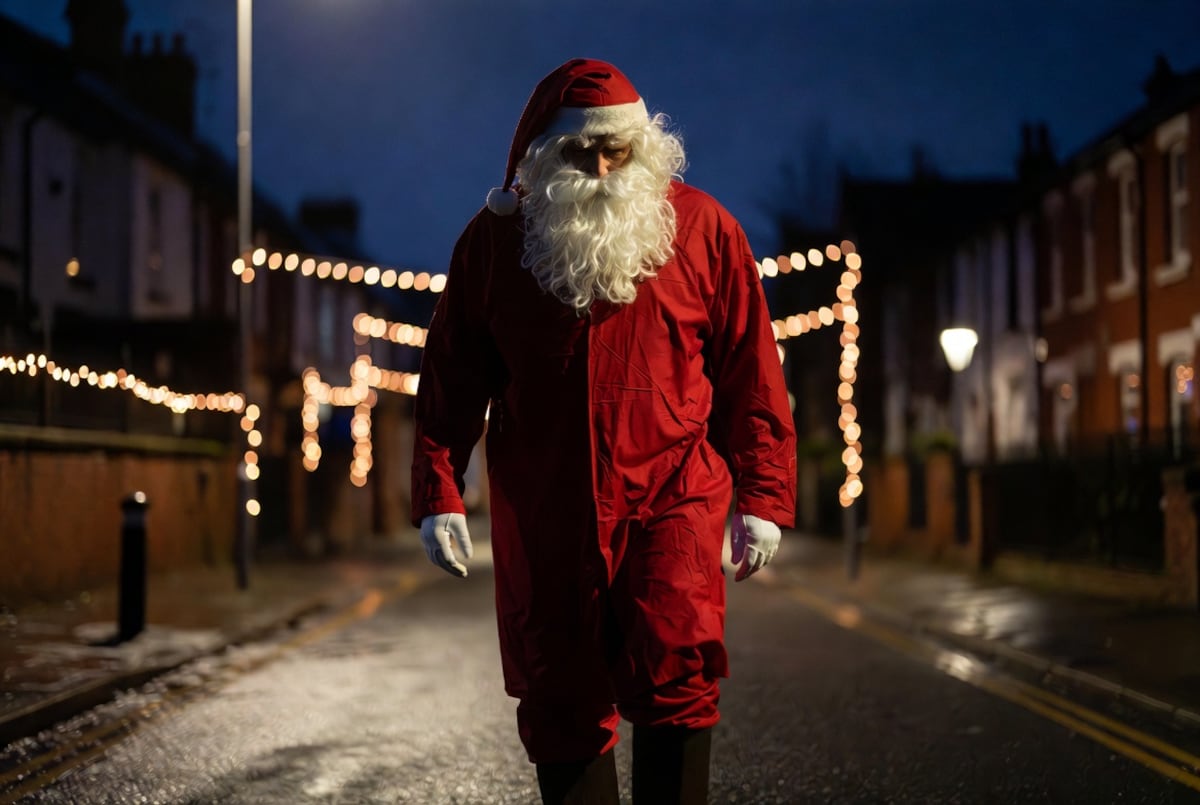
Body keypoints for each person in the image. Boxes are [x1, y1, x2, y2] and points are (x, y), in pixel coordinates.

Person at [411, 58, 796, 804]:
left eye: (614, 149)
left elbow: (753, 370)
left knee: (678, 669)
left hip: (673, 500)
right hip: (548, 508)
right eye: (579, 152)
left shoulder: (707, 232)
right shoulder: (494, 246)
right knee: (561, 696)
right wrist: (439, 493)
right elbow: (451, 377)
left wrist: (763, 496)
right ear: (541, 156)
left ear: (643, 148)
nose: (600, 166)